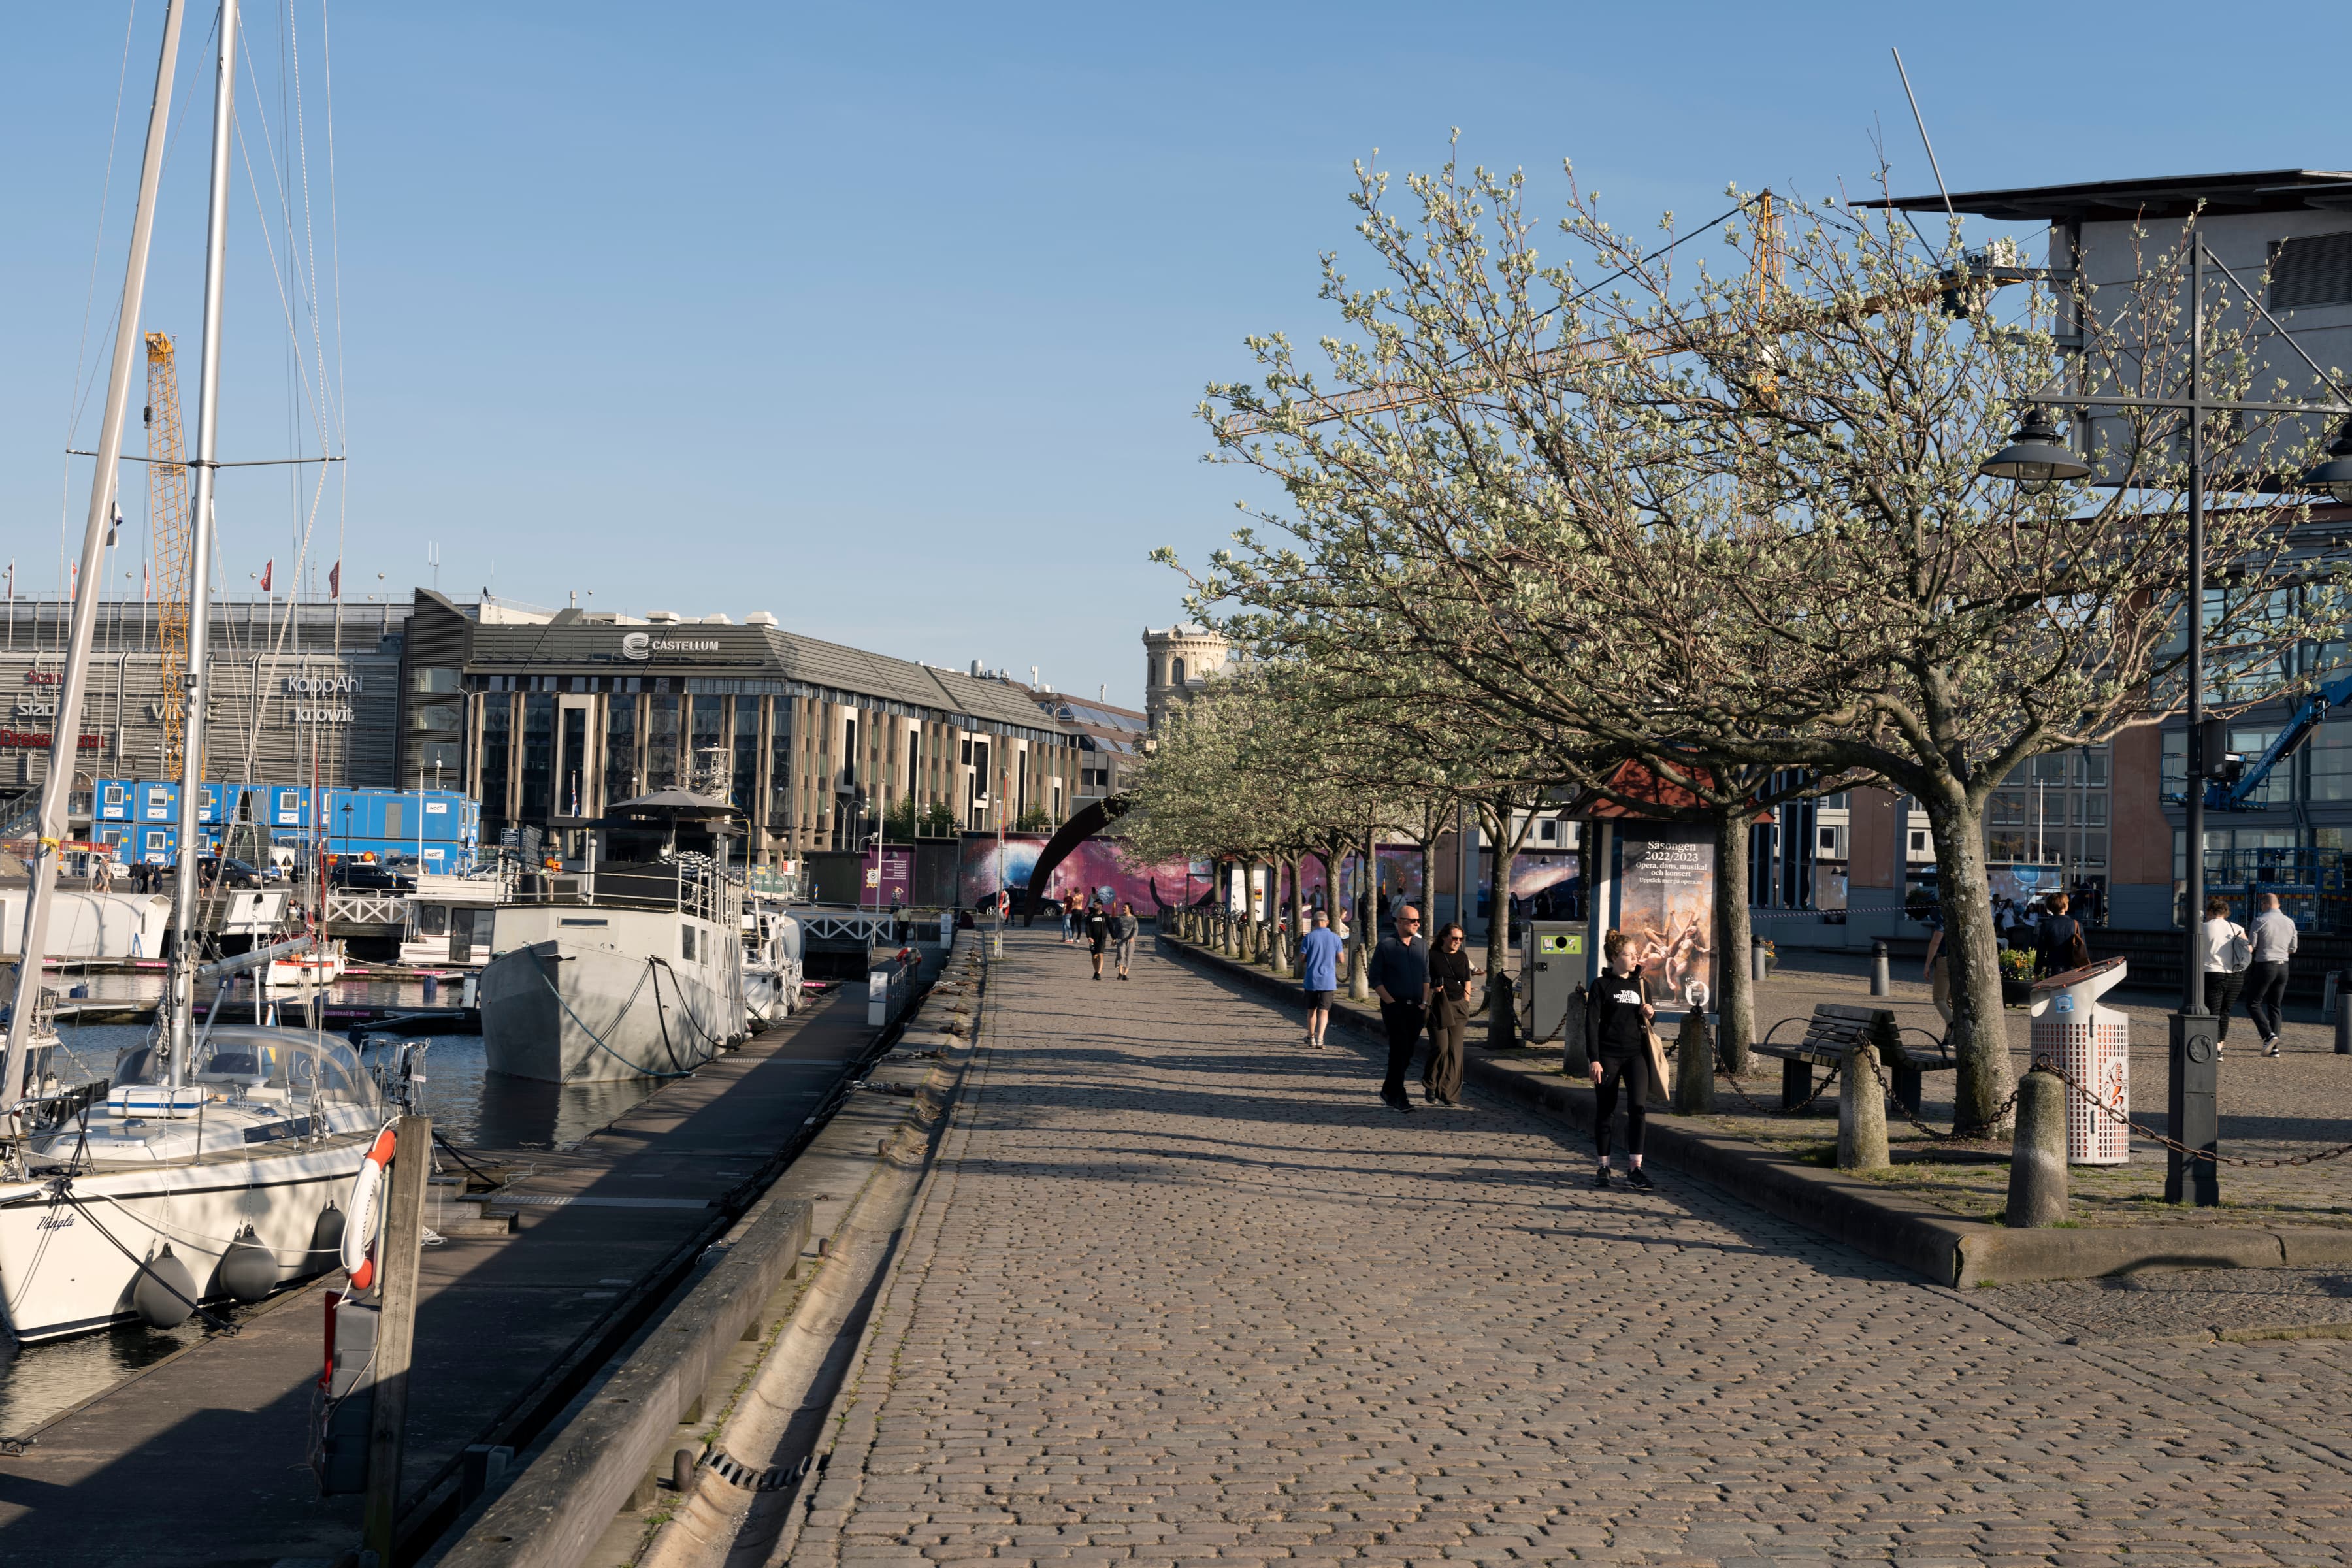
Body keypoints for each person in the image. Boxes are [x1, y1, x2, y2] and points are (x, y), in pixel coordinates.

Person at [1584, 930, 1658, 1190]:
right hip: (1608, 1055)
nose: (1635, 958)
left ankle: (1635, 1169)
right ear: (1616, 957)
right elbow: (1591, 1024)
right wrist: (1594, 1059)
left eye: (1635, 954)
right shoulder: (1601, 985)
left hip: (1635, 1054)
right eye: (1629, 954)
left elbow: (1649, 1021)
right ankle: (1603, 1166)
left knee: (1638, 1108)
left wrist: (1649, 1012)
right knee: (1606, 1110)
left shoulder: (1641, 984)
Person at [1367, 902, 1430, 1113]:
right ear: (1400, 922)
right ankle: (1398, 1094)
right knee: (1399, 1050)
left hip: (1417, 1008)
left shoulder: (1421, 946)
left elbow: (1426, 976)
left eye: (1418, 921)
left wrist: (1424, 1002)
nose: (1417, 924)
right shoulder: (1386, 945)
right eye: (1413, 921)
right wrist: (1389, 1001)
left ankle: (1388, 1090)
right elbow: (1375, 978)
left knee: (1408, 1051)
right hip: (1395, 1007)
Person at [1422, 922, 1477, 1106]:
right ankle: (1431, 1083)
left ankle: (1449, 1094)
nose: (1457, 942)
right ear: (1444, 937)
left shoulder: (1462, 957)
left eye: (1461, 939)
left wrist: (1466, 1003)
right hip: (1438, 1005)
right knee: (1441, 1047)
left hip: (1458, 1006)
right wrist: (1432, 990)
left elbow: (1467, 980)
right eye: (1454, 938)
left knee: (1456, 1052)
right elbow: (1424, 980)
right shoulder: (1432, 956)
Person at [2246, 891, 2299, 1056]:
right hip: (2284, 967)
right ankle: (2274, 1048)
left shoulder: (2260, 920)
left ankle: (2268, 1035)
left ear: (2264, 904)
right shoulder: (2290, 922)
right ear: (2279, 905)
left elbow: (2252, 946)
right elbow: (2293, 948)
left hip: (2265, 965)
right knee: (2275, 1006)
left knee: (2253, 1003)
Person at [2201, 894, 2251, 1054]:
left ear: (2210, 911)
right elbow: (2249, 949)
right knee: (2225, 1012)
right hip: (2235, 975)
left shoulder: (2203, 927)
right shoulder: (2236, 928)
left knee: (2213, 1012)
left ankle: (2212, 1047)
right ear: (2225, 912)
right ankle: (2220, 1047)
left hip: (2212, 973)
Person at [1298, 909, 1343, 1049]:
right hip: (1328, 980)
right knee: (1324, 1011)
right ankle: (1320, 1038)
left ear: (1314, 922)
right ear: (1327, 922)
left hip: (1312, 979)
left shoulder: (1309, 937)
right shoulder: (1336, 938)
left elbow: (1302, 958)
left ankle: (1310, 1037)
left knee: (1311, 1010)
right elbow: (1342, 959)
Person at [2034, 892, 2086, 977]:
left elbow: (2041, 951)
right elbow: (2083, 949)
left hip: (2053, 969)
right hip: (2072, 969)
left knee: (2053, 990)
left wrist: (2037, 973)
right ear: (2066, 906)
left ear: (2050, 907)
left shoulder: (2046, 925)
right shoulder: (2076, 925)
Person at [1109, 901, 1139, 981]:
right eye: (1123, 907)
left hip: (1130, 941)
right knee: (1121, 955)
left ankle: (1125, 974)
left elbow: (1136, 929)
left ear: (1129, 909)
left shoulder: (1134, 919)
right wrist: (1114, 939)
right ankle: (1120, 973)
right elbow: (1116, 930)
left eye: (1125, 907)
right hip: (1121, 940)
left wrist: (1133, 937)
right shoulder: (1120, 918)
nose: (1123, 909)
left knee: (1129, 957)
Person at [1085, 899, 1111, 979]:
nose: (1094, 907)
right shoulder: (1091, 915)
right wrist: (1089, 937)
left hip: (1102, 939)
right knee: (1094, 956)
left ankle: (1099, 973)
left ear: (1100, 906)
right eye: (1094, 905)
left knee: (1100, 954)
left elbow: (1111, 926)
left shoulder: (1105, 916)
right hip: (1092, 941)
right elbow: (1087, 927)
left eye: (1095, 905)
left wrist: (1114, 937)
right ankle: (1096, 972)